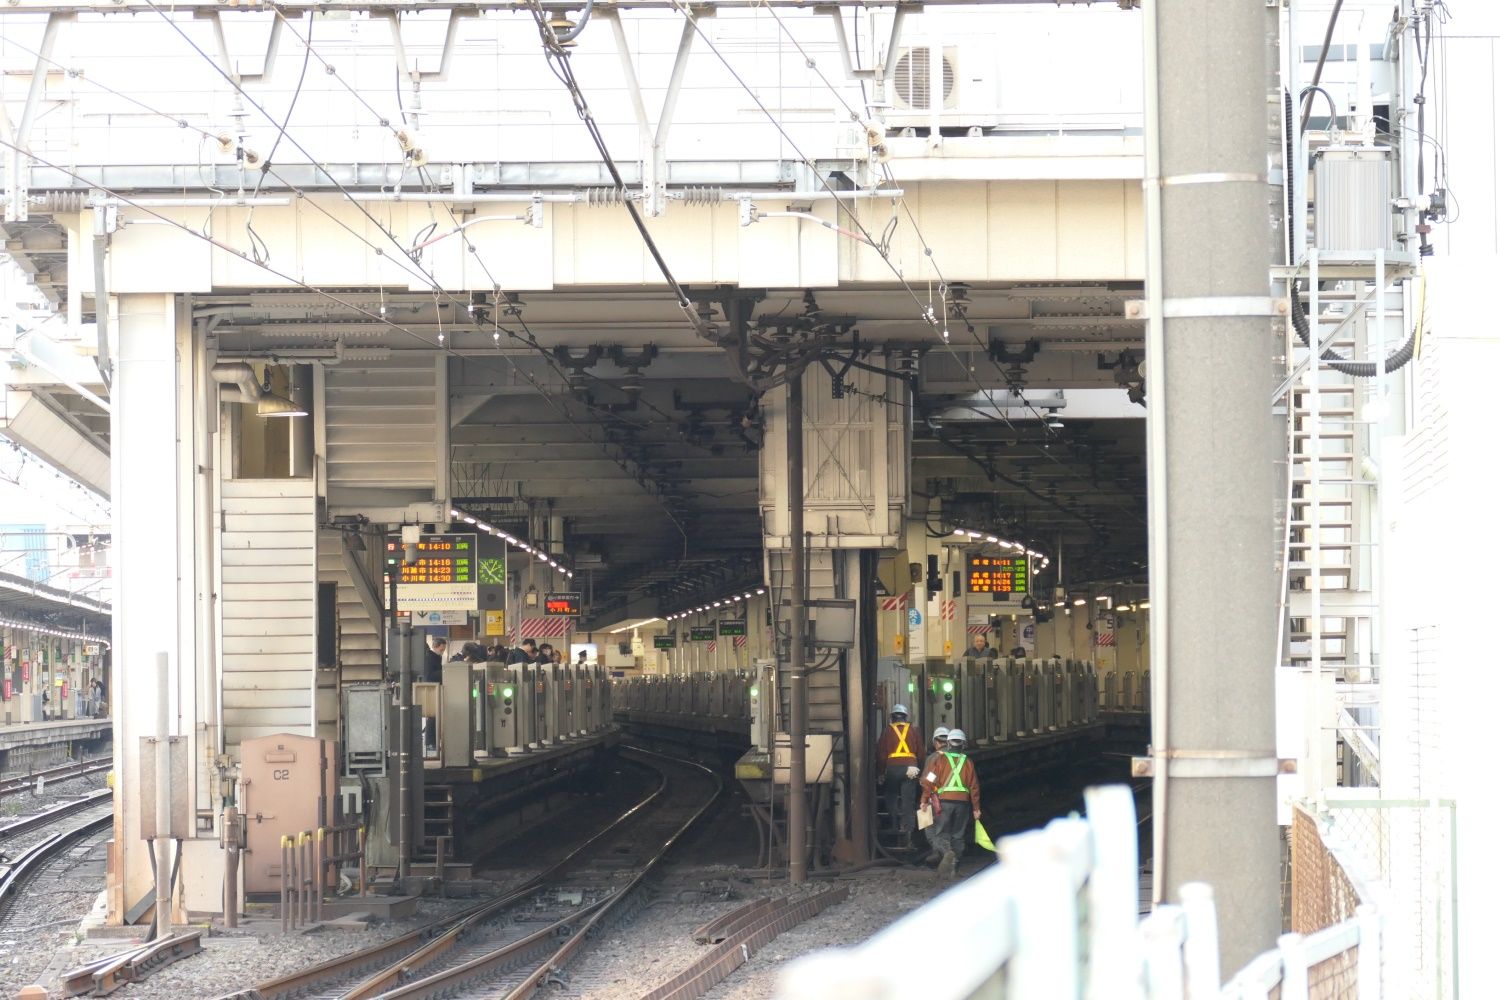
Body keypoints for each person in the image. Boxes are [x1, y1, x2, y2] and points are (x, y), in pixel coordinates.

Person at [920, 728, 981, 878]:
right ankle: (954, 864)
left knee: (941, 834)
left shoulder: (939, 760)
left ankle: (948, 853)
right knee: (958, 835)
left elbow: (929, 781)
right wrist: (976, 808)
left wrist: (924, 800)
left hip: (944, 802)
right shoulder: (968, 762)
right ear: (963, 745)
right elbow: (974, 786)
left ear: (948, 743)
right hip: (963, 803)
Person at [875, 704, 924, 843]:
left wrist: (880, 772)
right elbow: (920, 753)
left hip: (893, 768)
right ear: (905, 717)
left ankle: (894, 822)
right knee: (908, 799)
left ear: (892, 717)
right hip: (911, 767)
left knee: (891, 795)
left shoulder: (887, 732)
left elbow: (881, 755)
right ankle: (907, 829)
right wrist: (920, 769)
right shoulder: (914, 731)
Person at [920, 726, 951, 860]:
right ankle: (937, 853)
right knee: (946, 828)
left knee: (928, 826)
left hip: (935, 798)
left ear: (935, 742)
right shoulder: (958, 757)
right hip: (955, 799)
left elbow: (928, 780)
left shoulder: (933, 758)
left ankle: (945, 854)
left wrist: (924, 800)